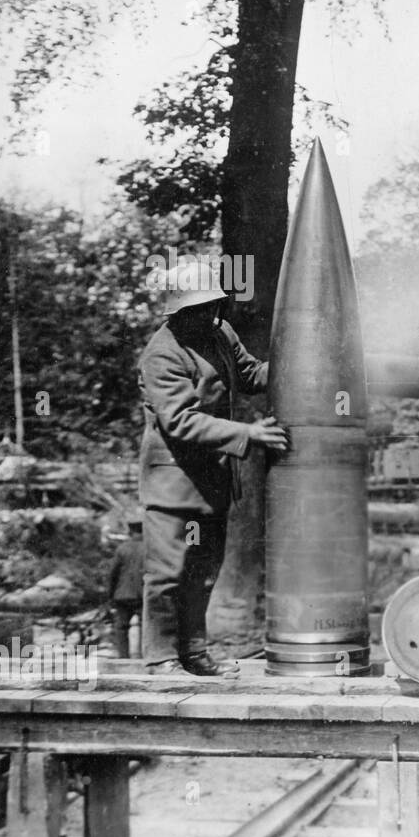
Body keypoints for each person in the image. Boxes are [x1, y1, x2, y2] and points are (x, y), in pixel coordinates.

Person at [138, 262, 287, 676]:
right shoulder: (161, 354)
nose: (207, 316)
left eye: (212, 306)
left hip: (212, 480)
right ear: (177, 312)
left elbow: (252, 373)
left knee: (203, 572)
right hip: (172, 482)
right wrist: (248, 433)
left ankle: (195, 652)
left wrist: (301, 368)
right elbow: (179, 420)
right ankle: (161, 657)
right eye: (197, 309)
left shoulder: (220, 334)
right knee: (168, 573)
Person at [106, 516, 144, 658]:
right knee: (144, 627)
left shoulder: (122, 548)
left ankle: (123, 657)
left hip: (122, 594)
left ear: (130, 531)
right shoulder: (150, 548)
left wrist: (110, 595)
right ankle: (143, 657)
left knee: (121, 627)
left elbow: (112, 574)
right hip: (142, 594)